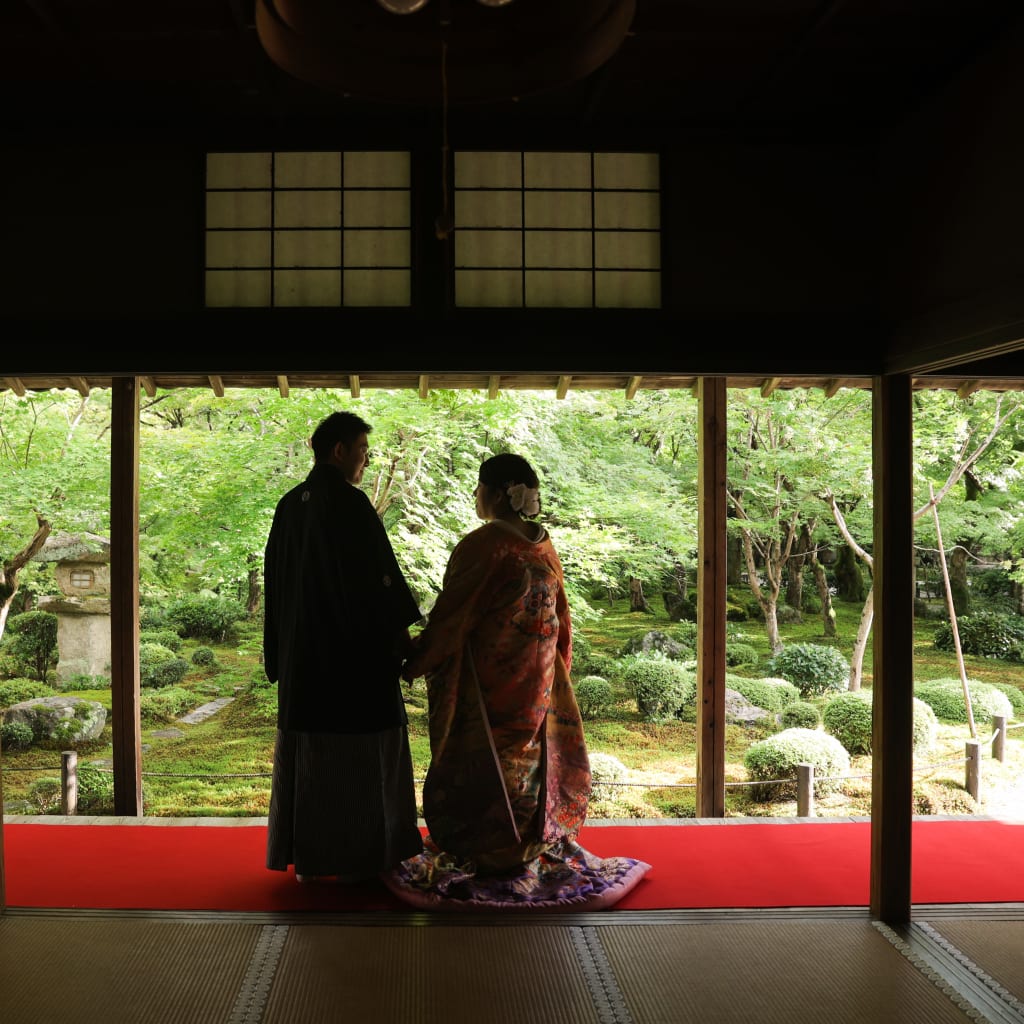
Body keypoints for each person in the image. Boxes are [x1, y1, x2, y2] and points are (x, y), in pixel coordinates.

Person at [385, 453, 649, 910]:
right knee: (528, 759)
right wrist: (556, 669)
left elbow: (454, 617)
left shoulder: (483, 546)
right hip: (538, 674)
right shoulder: (544, 545)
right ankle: (528, 845)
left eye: (478, 488)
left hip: (488, 679)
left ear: (496, 493)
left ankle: (489, 851)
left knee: (487, 759)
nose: (475, 496)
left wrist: (416, 659)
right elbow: (561, 619)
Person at [263, 410, 424, 883]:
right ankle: (369, 856)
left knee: (312, 759)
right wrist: (404, 642)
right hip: (354, 667)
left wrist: (279, 656)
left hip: (304, 666)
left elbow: (276, 588)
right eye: (363, 451)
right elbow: (381, 586)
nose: (365, 462)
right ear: (339, 451)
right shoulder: (351, 506)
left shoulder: (289, 505)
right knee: (365, 758)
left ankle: (311, 860)